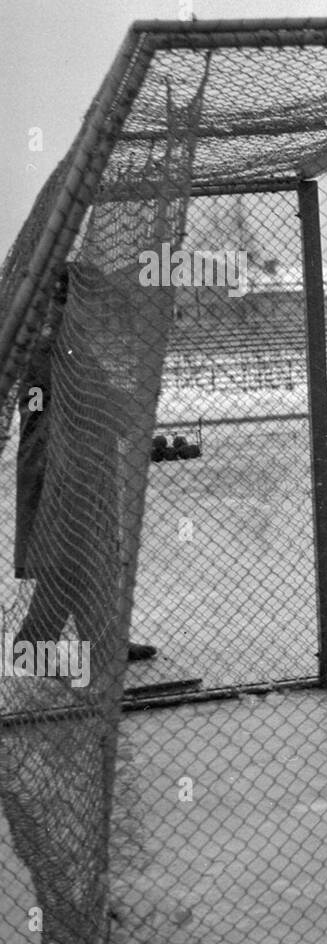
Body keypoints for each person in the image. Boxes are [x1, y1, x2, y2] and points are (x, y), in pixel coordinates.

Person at [13, 266, 158, 667]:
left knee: (80, 554)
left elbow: (84, 395)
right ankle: (45, 641)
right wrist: (125, 411)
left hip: (76, 460)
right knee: (73, 554)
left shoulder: (65, 339)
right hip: (61, 463)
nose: (96, 311)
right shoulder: (53, 342)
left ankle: (79, 639)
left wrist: (124, 410)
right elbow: (53, 400)